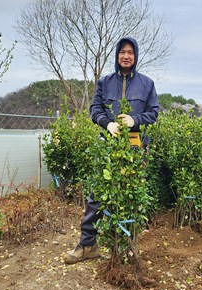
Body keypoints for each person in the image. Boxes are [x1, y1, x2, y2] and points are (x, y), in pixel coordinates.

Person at [64, 37, 159, 264]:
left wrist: (133, 120)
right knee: (97, 195)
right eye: (122, 52)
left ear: (135, 57)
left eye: (130, 52)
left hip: (135, 146)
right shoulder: (104, 82)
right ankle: (88, 245)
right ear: (117, 56)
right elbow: (95, 109)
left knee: (132, 195)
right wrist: (108, 124)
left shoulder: (147, 84)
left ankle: (127, 247)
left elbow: (153, 113)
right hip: (108, 144)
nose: (126, 56)